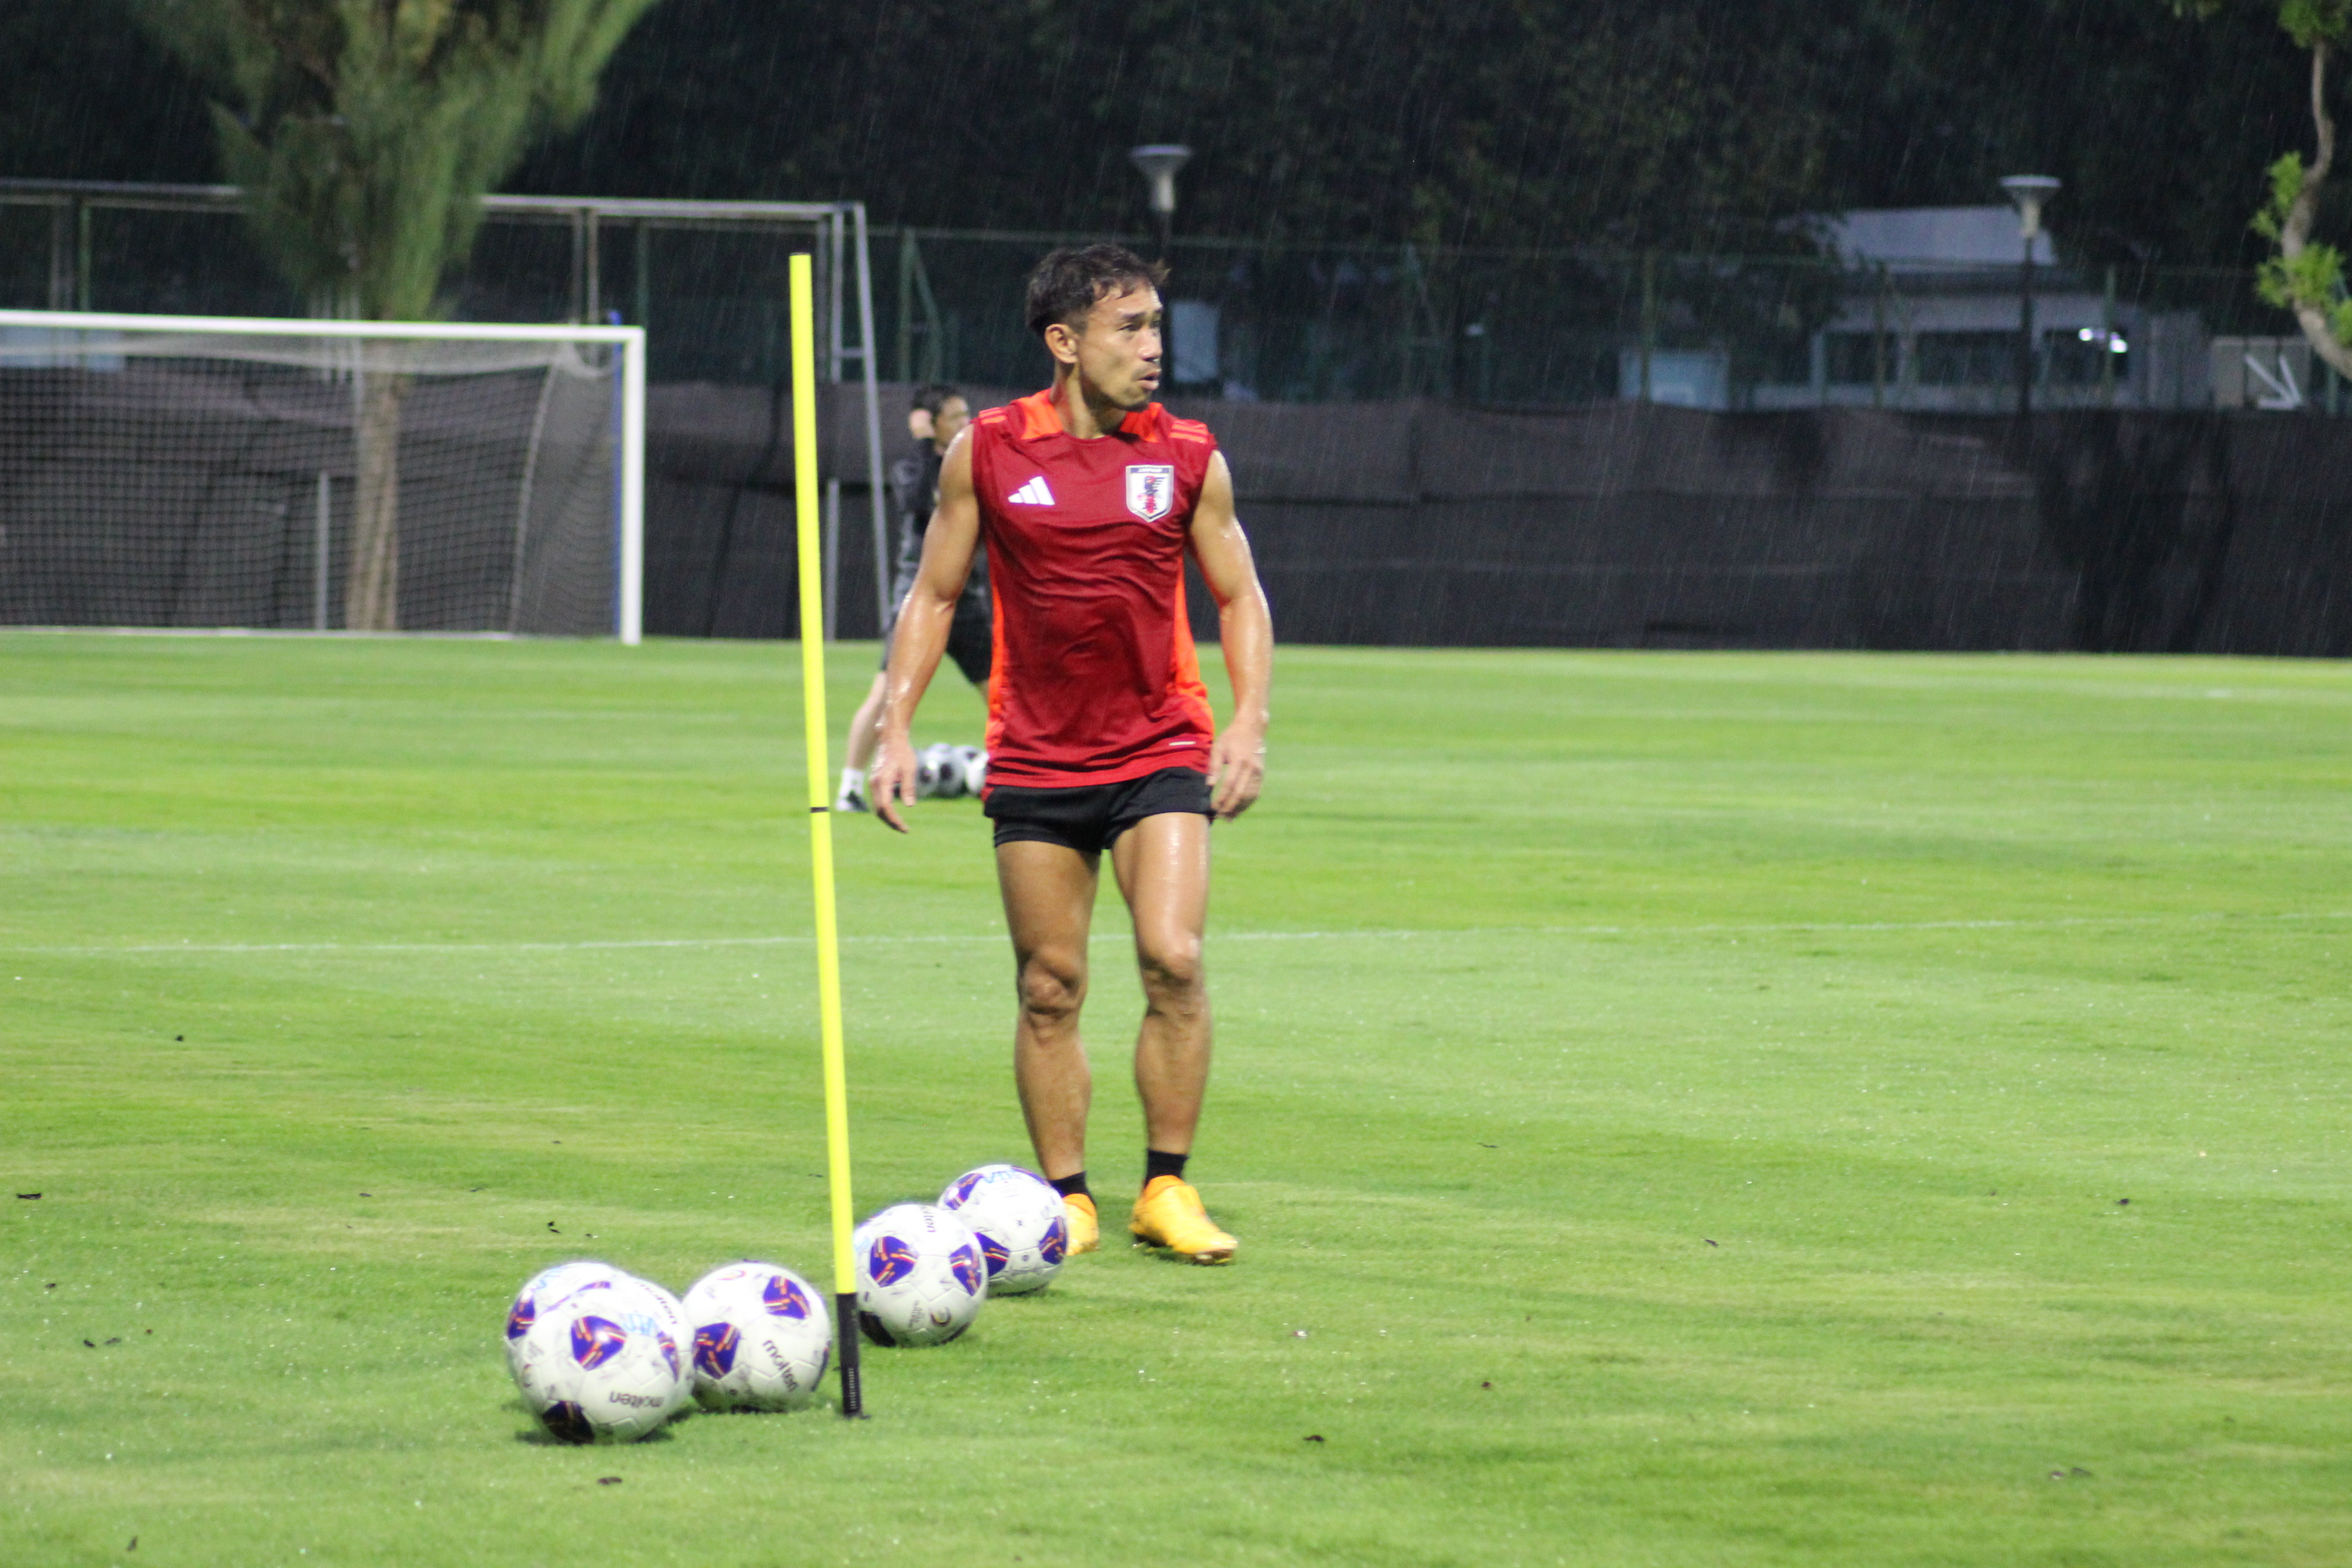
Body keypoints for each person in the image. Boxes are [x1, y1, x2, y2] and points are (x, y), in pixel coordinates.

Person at [869, 244, 1273, 1265]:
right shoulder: (991, 450)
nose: (1154, 346)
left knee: (1173, 960)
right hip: (1039, 759)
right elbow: (934, 594)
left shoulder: (1186, 454)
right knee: (1049, 987)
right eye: (1129, 327)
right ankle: (1070, 1202)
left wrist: (1246, 721)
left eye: (1156, 325)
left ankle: (1167, 1188)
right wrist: (899, 727)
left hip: (1158, 744)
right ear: (1064, 341)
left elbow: (1239, 596)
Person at [836, 383, 987, 813]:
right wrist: (924, 445)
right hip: (917, 601)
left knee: (1002, 697)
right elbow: (916, 500)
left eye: (966, 414)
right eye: (955, 416)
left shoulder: (973, 464)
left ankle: (1021, 782)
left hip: (967, 601)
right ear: (930, 422)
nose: (965, 423)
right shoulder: (913, 465)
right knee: (886, 693)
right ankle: (850, 786)